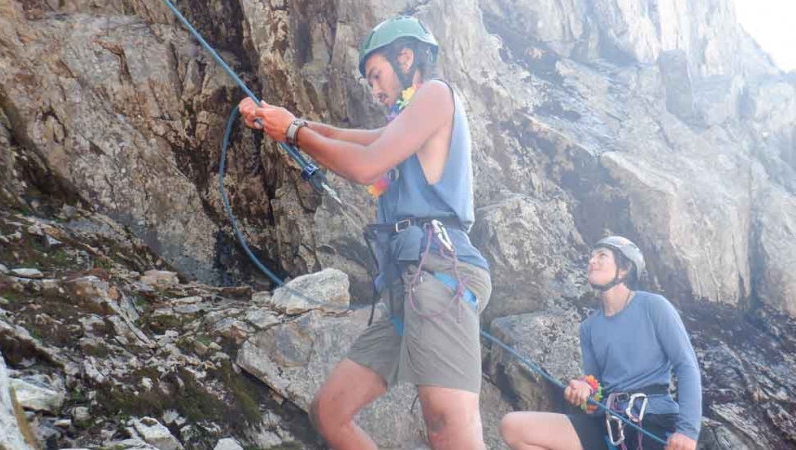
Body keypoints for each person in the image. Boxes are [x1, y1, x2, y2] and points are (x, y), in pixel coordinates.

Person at [238, 16, 492, 450]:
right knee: (330, 413)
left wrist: (294, 132)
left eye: (376, 75)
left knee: (447, 425)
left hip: (441, 275)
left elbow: (366, 165)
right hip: (408, 287)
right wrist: (280, 120)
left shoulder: (434, 94)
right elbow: (348, 139)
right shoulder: (409, 119)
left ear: (406, 57)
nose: (373, 90)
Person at [499, 236, 701, 450]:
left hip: (653, 419)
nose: (592, 261)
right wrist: (585, 391)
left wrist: (687, 431)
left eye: (602, 255)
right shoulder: (589, 327)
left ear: (624, 269)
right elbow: (598, 390)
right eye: (591, 256)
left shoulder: (654, 307)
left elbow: (686, 365)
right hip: (609, 424)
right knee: (513, 427)